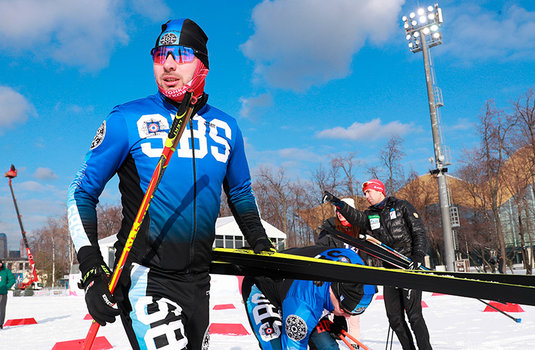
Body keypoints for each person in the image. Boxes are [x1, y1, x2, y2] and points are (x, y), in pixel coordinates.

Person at [66, 18, 273, 349]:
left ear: (202, 62)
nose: (169, 65)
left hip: (199, 282)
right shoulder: (126, 119)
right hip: (146, 278)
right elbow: (81, 193)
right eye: (160, 55)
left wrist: (261, 245)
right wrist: (92, 267)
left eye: (182, 54)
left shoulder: (226, 126)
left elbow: (240, 193)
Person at [323, 179, 432, 350]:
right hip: (390, 269)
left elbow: (419, 232)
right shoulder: (370, 214)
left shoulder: (401, 206)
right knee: (394, 318)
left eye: (369, 192)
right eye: (364, 193)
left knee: (414, 316)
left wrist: (418, 256)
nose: (366, 196)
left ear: (379, 191)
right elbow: (355, 217)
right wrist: (338, 203)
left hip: (408, 266)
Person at [242, 246, 377, 350]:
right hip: (262, 287)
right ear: (333, 292)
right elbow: (293, 346)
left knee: (328, 347)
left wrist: (339, 315)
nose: (348, 317)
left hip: (302, 290)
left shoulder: (353, 262)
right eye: (345, 311)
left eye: (353, 312)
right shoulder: (303, 309)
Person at [315, 197, 363, 349]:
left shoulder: (360, 228)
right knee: (331, 313)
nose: (339, 213)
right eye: (337, 210)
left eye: (342, 210)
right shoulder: (329, 228)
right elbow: (320, 251)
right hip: (334, 281)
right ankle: (328, 343)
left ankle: (354, 345)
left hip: (355, 280)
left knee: (353, 317)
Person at [0, 260, 16, 329]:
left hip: (2, 293)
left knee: (2, 309)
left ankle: (0, 324)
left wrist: (7, 287)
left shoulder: (6, 271)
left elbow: (12, 280)